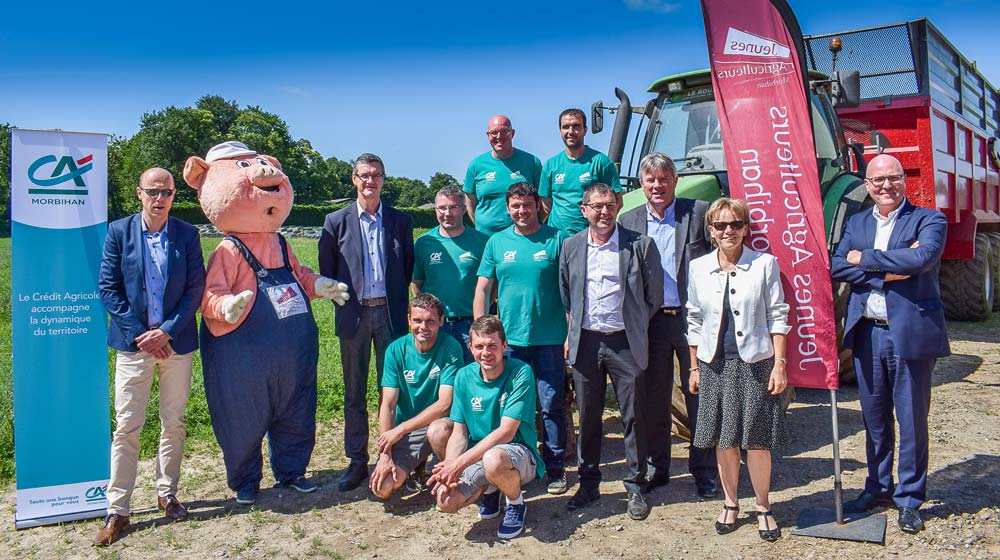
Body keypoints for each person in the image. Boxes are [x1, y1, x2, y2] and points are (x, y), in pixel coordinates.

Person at [830, 154, 949, 535]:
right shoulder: (857, 221)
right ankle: (878, 487)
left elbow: (923, 258)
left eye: (893, 178)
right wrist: (890, 270)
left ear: (903, 181)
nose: (885, 186)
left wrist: (865, 260)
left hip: (910, 332)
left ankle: (910, 498)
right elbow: (836, 265)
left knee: (912, 419)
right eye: (878, 180)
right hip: (867, 333)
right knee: (875, 419)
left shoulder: (929, 219)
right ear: (867, 183)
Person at [95, 168, 206, 545]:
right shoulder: (118, 232)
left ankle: (167, 493)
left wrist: (167, 332)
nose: (160, 199)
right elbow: (108, 289)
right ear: (139, 193)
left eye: (167, 192)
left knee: (173, 423)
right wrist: (143, 335)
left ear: (175, 195)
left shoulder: (188, 234)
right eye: (153, 192)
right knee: (127, 427)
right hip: (134, 346)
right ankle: (118, 510)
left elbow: (195, 289)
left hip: (176, 345)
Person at [686, 197, 790, 542]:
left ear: (746, 228)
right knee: (725, 441)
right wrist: (694, 367)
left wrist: (779, 362)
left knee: (757, 443)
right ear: (711, 231)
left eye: (735, 224)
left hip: (755, 364)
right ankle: (731, 503)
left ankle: (762, 506)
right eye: (720, 225)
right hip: (713, 365)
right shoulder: (698, 267)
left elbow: (778, 315)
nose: (728, 231)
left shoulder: (764, 264)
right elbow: (694, 320)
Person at [559, 183, 663, 520]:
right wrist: (575, 330)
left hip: (625, 342)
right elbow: (567, 293)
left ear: (617, 206)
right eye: (597, 206)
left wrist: (632, 325)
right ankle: (588, 483)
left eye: (609, 205)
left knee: (634, 414)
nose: (604, 212)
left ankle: (635, 484)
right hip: (587, 342)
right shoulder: (571, 246)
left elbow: (653, 297)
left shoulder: (639, 245)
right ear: (584, 210)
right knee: (588, 416)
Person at [618, 153, 718, 498]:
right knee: (654, 399)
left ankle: (704, 472)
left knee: (700, 398)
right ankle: (658, 468)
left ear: (675, 181)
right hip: (651, 323)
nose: (657, 185)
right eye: (650, 180)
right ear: (642, 184)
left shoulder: (700, 213)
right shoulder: (629, 221)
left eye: (663, 179)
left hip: (693, 320)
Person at [319, 153, 415, 491]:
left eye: (375, 175)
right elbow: (327, 270)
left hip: (389, 314)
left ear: (384, 179)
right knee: (354, 392)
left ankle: (399, 457)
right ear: (354, 179)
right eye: (364, 175)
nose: (369, 181)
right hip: (355, 315)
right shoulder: (336, 222)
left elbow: (406, 269)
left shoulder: (401, 222)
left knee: (393, 390)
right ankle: (357, 460)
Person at [473, 183, 570, 494]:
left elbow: (570, 290)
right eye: (516, 206)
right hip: (510, 342)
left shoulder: (557, 239)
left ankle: (556, 469)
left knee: (552, 403)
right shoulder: (497, 243)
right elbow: (483, 290)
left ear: (536, 206)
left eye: (527, 205)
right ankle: (514, 464)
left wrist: (570, 332)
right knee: (512, 408)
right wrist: (481, 332)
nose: (522, 211)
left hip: (550, 338)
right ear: (508, 207)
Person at [428, 315, 544, 539]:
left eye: (492, 345)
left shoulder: (520, 372)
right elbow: (459, 432)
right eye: (479, 346)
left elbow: (507, 431)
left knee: (493, 459)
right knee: (445, 501)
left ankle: (515, 503)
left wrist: (460, 464)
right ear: (470, 348)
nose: (486, 352)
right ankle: (490, 490)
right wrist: (450, 467)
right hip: (479, 454)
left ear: (504, 346)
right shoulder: (463, 376)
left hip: (517, 452)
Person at [370, 293, 464, 500]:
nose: (423, 327)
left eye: (430, 321)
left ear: (441, 321)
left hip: (439, 423)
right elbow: (388, 405)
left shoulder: (451, 348)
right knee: (383, 488)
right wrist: (385, 454)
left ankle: (448, 476)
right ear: (408, 320)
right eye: (418, 321)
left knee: (438, 431)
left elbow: (445, 404)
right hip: (409, 430)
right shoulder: (396, 350)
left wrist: (400, 429)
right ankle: (417, 467)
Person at [412, 185, 490, 364]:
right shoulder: (424, 243)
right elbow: (417, 283)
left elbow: (490, 286)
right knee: (435, 373)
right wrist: (426, 314)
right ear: (435, 210)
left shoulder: (482, 242)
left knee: (470, 373)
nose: (447, 213)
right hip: (435, 324)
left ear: (463, 209)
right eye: (442, 208)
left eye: (453, 207)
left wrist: (479, 316)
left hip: (469, 322)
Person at [539, 108, 622, 233]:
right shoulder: (551, 165)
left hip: (590, 239)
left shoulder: (601, 162)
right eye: (566, 127)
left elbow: (617, 202)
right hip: (558, 239)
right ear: (560, 131)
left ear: (585, 130)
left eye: (576, 126)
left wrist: (599, 230)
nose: (571, 131)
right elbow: (546, 208)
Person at [463, 115, 543, 235]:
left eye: (504, 131)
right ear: (488, 135)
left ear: (512, 133)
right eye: (494, 132)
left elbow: (542, 199)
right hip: (485, 237)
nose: (499, 137)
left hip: (525, 236)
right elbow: (470, 202)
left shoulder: (532, 162)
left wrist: (533, 224)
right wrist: (482, 225)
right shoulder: (476, 165)